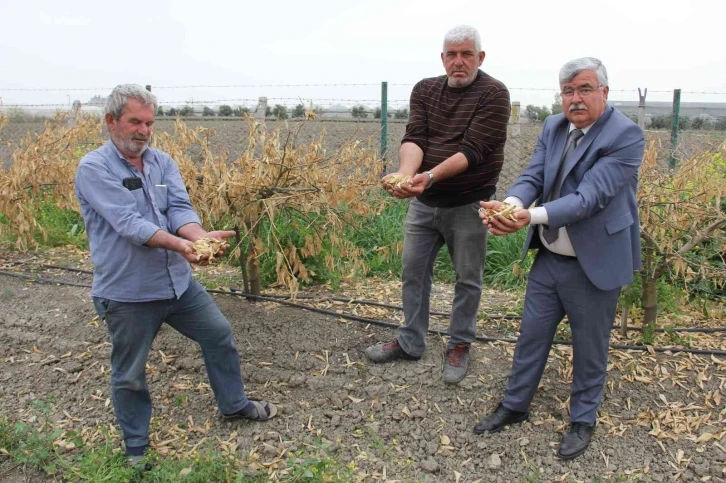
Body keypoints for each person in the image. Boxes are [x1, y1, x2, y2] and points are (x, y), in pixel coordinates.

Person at [75, 84, 277, 466]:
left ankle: (234, 405)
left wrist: (199, 239)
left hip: (176, 284)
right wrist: (182, 247)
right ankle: (136, 447)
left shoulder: (161, 165)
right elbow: (129, 223)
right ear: (111, 121)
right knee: (130, 373)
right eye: (135, 121)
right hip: (128, 293)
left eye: (149, 123)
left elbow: (177, 208)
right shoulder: (94, 169)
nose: (143, 130)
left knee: (218, 335)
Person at [473, 58, 644, 460]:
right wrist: (511, 203)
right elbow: (534, 175)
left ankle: (582, 420)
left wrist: (527, 217)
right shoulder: (553, 126)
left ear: (604, 91)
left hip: (594, 262)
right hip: (551, 257)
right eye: (568, 91)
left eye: (584, 89)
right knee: (531, 336)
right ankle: (514, 406)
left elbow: (590, 197)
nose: (575, 99)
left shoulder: (625, 135)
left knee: (590, 348)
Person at [365, 25, 511, 384]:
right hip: (424, 204)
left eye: (466, 54)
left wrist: (428, 177)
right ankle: (411, 340)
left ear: (480, 57)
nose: (458, 61)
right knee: (414, 272)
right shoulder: (426, 89)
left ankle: (460, 344)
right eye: (451, 54)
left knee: (468, 278)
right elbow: (415, 137)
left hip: (468, 203)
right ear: (442, 57)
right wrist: (405, 175)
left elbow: (473, 150)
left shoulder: (493, 93)